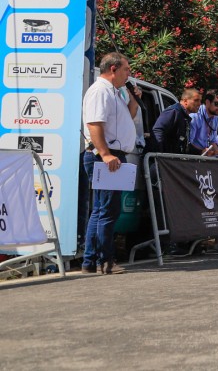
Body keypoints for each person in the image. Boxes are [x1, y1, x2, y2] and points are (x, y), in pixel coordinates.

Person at [81, 53, 139, 275]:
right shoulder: (100, 91)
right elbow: (94, 123)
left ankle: (92, 261)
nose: (129, 74)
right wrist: (104, 154)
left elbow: (131, 114)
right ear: (113, 69)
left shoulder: (116, 92)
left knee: (104, 209)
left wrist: (133, 97)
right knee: (106, 210)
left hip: (114, 155)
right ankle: (103, 260)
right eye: (126, 69)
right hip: (105, 156)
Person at [150, 88, 201, 154]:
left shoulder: (184, 117)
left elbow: (184, 145)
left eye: (200, 101)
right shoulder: (174, 111)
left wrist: (201, 151)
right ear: (185, 101)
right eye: (196, 100)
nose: (199, 104)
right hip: (159, 161)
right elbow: (158, 131)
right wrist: (160, 156)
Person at [190, 89, 218, 156]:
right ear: (207, 102)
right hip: (193, 158)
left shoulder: (216, 118)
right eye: (217, 104)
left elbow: (212, 140)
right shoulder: (195, 116)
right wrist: (202, 151)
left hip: (204, 158)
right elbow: (189, 144)